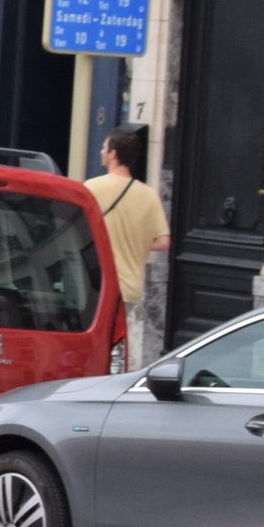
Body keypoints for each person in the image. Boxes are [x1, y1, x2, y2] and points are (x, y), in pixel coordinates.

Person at [86, 122, 169, 365]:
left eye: (104, 147)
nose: (101, 152)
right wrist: (138, 241)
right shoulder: (148, 195)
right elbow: (163, 242)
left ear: (113, 153)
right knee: (116, 343)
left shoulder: (93, 188)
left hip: (98, 285)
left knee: (95, 343)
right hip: (130, 287)